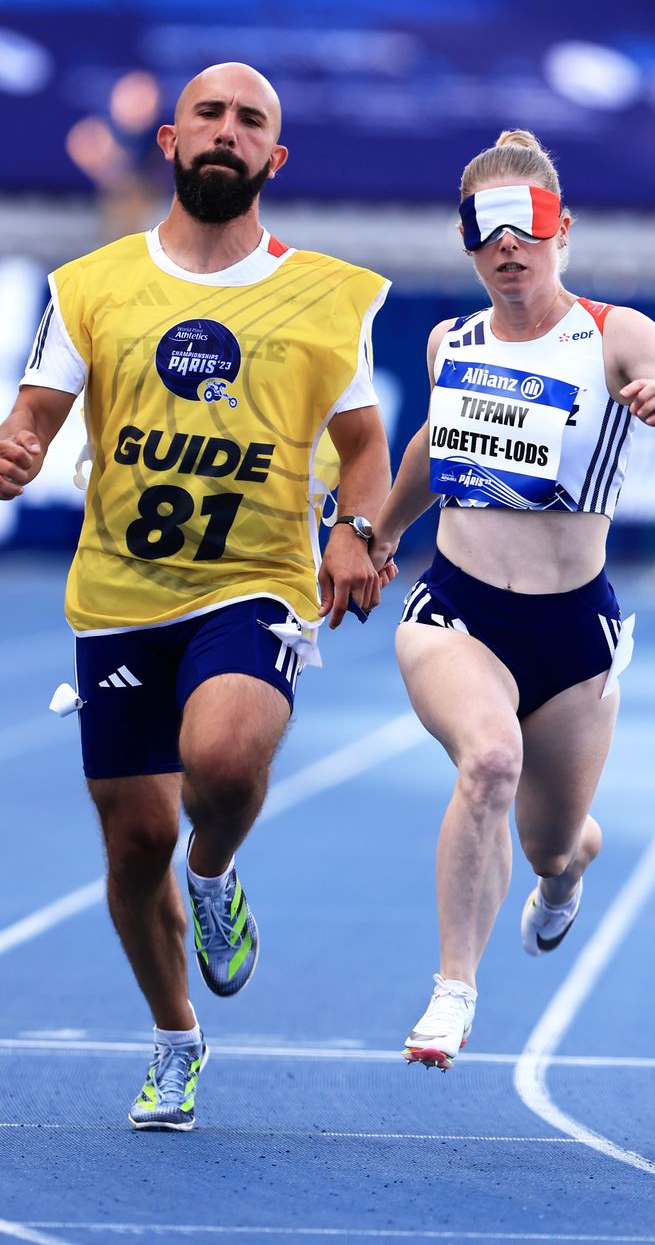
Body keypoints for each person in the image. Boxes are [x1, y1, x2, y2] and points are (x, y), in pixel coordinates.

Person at [0, 62, 395, 1128]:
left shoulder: (328, 293)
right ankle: (178, 1034)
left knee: (221, 762)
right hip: (120, 591)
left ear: (276, 156)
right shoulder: (88, 286)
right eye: (209, 115)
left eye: (251, 120)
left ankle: (216, 876)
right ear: (170, 141)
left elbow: (364, 446)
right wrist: (20, 445)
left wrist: (358, 531)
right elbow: (34, 414)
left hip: (254, 580)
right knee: (133, 842)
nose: (228, 131)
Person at [369, 129, 655, 1071]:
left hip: (574, 636)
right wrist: (373, 533)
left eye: (528, 226)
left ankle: (566, 871)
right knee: (487, 761)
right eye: (489, 230)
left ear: (562, 232)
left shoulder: (617, 335)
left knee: (552, 846)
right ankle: (452, 992)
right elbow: (426, 452)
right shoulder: (453, 341)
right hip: (458, 613)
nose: (509, 246)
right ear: (468, 243)